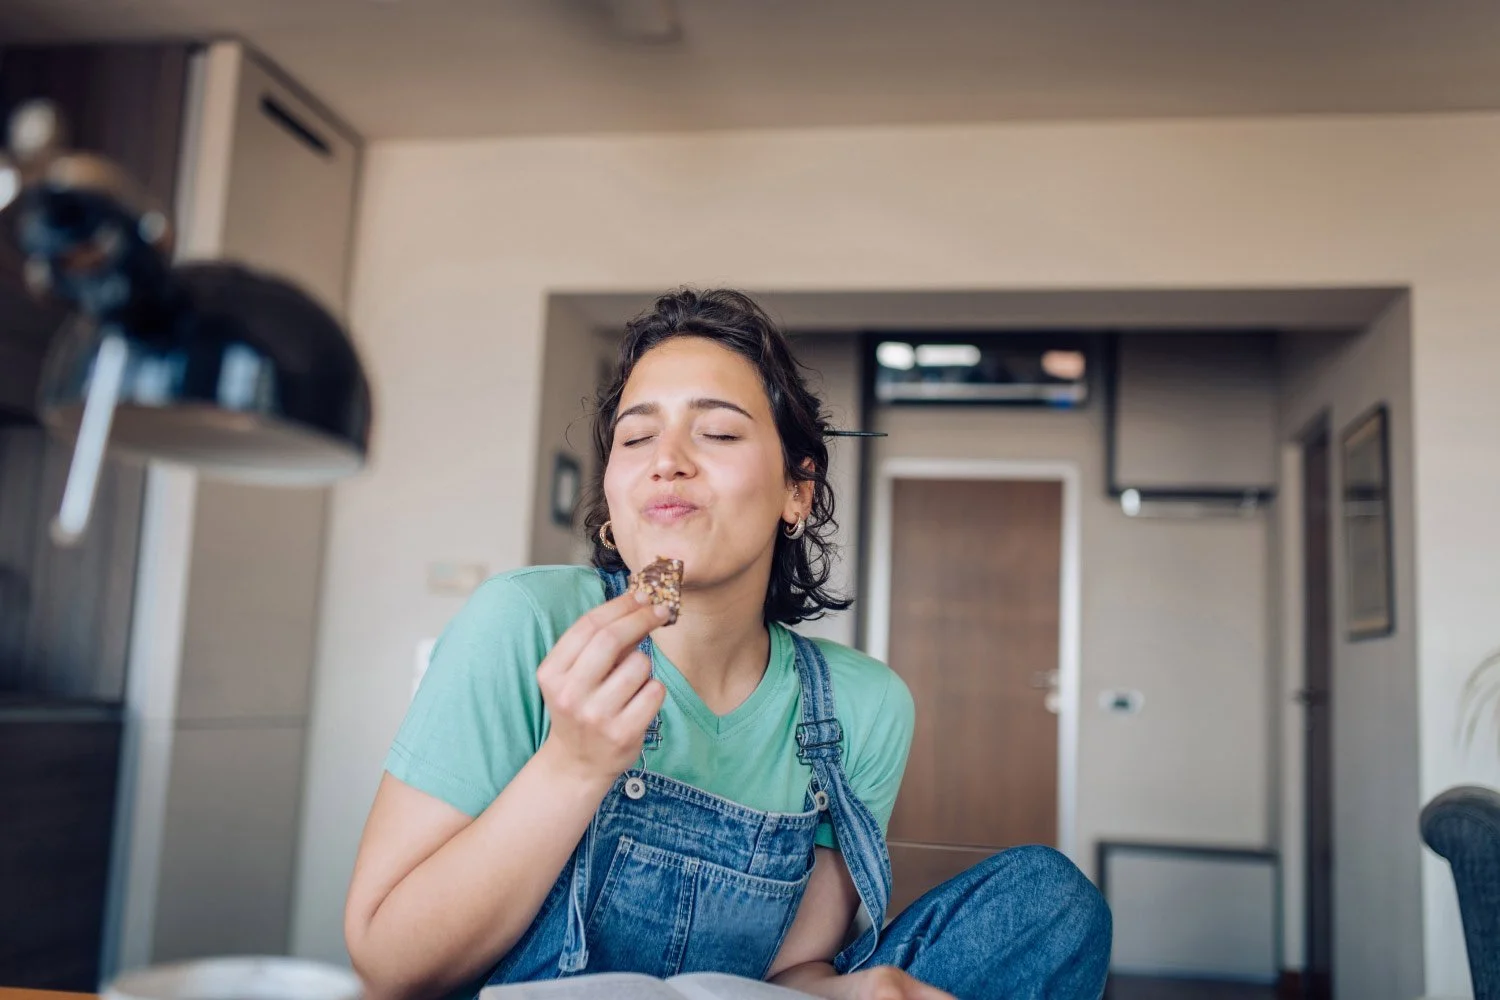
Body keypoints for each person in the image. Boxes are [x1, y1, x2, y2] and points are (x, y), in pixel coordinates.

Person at [344, 289, 1111, 1000]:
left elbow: (785, 976)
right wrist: (570, 766)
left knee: (1047, 903)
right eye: (636, 436)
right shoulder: (525, 622)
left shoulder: (862, 707)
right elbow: (388, 964)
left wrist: (851, 990)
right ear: (612, 502)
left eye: (715, 431)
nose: (665, 459)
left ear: (796, 490)